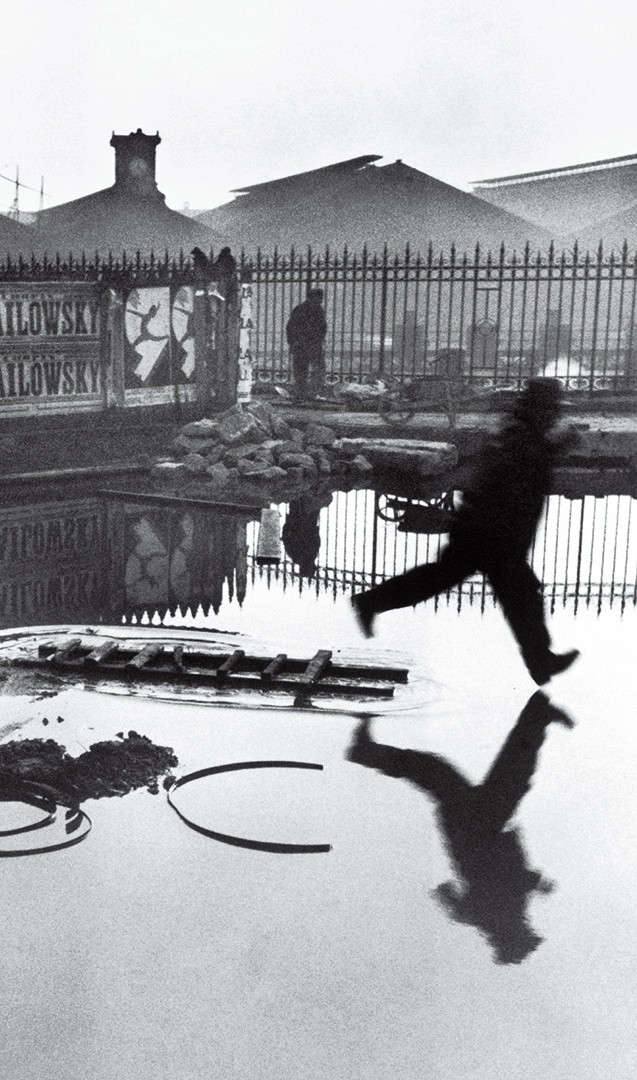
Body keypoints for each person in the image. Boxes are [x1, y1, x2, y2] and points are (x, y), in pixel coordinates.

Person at [351, 378, 579, 686]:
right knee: (521, 596)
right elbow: (518, 472)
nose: (554, 416)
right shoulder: (521, 438)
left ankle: (371, 602)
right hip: (491, 535)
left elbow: (522, 463)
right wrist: (557, 448)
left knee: (449, 581)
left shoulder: (519, 432)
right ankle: (540, 661)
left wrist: (554, 448)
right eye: (551, 409)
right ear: (539, 409)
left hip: (485, 531)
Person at [346, 691, 574, 964]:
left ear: (514, 934)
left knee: (490, 772)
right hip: (477, 827)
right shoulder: (491, 916)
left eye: (526, 933)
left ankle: (539, 713)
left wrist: (536, 883)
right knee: (493, 771)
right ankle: (538, 714)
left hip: (476, 828)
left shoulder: (499, 915)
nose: (529, 927)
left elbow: (504, 883)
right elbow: (454, 896)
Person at [285, 289, 327, 400]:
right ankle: (306, 393)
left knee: (306, 370)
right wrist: (293, 342)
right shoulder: (304, 310)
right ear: (312, 298)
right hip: (305, 345)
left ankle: (305, 393)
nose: (321, 300)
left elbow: (290, 327)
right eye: (319, 298)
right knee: (306, 370)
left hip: (306, 345)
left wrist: (293, 342)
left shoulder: (307, 309)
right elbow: (291, 328)